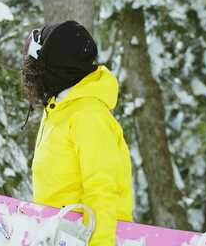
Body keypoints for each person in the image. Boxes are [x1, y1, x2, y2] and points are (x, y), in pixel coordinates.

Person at [21, 20, 134, 246]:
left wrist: (99, 243)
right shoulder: (59, 109)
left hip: (89, 237)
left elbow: (103, 189)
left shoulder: (88, 116)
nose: (30, 75)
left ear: (55, 67)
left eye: (36, 67)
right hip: (59, 235)